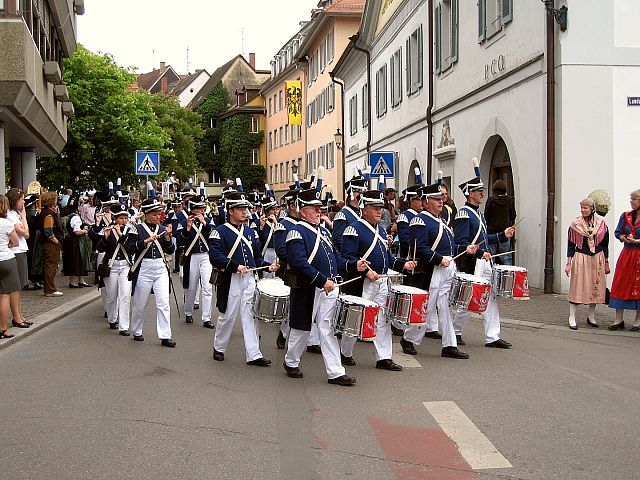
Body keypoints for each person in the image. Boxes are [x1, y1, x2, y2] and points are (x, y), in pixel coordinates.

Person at [283, 188, 368, 386]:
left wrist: (353, 265)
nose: (319, 211)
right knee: (301, 330)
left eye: (319, 207)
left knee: (326, 328)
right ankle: (291, 361)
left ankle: (336, 372)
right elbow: (298, 263)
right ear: (302, 210)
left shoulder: (323, 231)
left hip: (329, 287)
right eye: (314, 208)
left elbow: (334, 260)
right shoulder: (296, 232)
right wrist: (322, 281)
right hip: (308, 288)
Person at [340, 190, 416, 370]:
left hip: (381, 281)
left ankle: (383, 357)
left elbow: (387, 258)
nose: (379, 212)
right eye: (375, 208)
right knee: (357, 317)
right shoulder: (353, 229)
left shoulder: (380, 230)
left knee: (382, 319)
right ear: (364, 209)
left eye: (380, 208)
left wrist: (403, 265)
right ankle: (345, 352)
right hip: (363, 282)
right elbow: (347, 258)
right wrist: (366, 271)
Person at [402, 184, 478, 359]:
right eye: (436, 199)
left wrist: (466, 248)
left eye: (441, 199)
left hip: (445, 268)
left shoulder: (441, 220)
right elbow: (419, 248)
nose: (441, 202)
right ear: (426, 202)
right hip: (431, 270)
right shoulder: (419, 220)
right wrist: (438, 259)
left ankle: (449, 345)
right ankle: (408, 338)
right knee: (427, 308)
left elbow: (449, 246)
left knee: (445, 308)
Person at [209, 191, 279, 365]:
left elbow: (256, 256)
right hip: (231, 279)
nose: (244, 212)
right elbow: (215, 256)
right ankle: (219, 347)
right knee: (228, 315)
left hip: (249, 279)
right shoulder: (219, 232)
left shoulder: (250, 232)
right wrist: (235, 266)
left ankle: (254, 354)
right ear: (230, 210)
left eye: (245, 209)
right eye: (240, 209)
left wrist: (266, 264)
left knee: (250, 315)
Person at [452, 174, 515, 348]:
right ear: (469, 193)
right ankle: (455, 331)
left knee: (490, 296)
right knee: (471, 296)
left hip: (484, 260)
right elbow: (461, 243)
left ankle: (492, 337)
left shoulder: (478, 214)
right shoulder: (464, 214)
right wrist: (479, 252)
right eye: (479, 191)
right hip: (473, 262)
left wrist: (503, 235)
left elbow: (484, 238)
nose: (482, 193)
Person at [125, 198, 176, 347]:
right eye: (154, 214)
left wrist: (167, 238)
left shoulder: (162, 229)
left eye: (158, 214)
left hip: (160, 268)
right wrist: (145, 241)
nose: (157, 217)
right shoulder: (137, 229)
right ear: (146, 214)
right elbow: (129, 247)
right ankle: (137, 330)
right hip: (144, 267)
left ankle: (165, 336)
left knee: (164, 303)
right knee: (140, 303)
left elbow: (170, 250)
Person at [565, 198, 610, 330]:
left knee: (594, 285)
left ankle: (591, 316)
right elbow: (571, 245)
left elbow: (605, 245)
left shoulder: (601, 224)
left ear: (592, 209)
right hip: (581, 256)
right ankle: (572, 317)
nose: (583, 210)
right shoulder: (575, 224)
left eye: (585, 208)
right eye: (582, 208)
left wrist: (606, 262)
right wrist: (568, 263)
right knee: (577, 286)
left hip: (597, 258)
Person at [176, 195, 215, 328]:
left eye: (203, 208)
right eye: (199, 209)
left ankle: (206, 318)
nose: (202, 211)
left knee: (207, 287)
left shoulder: (208, 221)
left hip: (206, 256)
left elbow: (215, 236)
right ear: (193, 209)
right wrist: (187, 228)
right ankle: (188, 312)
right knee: (191, 287)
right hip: (191, 256)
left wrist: (205, 223)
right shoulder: (183, 222)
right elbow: (180, 241)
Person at [96, 203, 133, 334]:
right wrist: (105, 239)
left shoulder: (130, 230)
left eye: (125, 218)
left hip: (125, 266)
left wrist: (120, 234)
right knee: (111, 295)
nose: (123, 221)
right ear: (115, 219)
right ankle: (112, 319)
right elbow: (100, 248)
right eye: (120, 218)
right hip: (111, 266)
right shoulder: (107, 230)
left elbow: (130, 247)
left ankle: (124, 326)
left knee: (125, 296)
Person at [607, 189, 640, 331]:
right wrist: (623, 238)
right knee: (620, 283)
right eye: (631, 199)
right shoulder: (625, 216)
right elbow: (618, 232)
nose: (631, 201)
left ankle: (638, 321)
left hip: (638, 254)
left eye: (634, 199)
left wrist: (637, 240)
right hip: (627, 254)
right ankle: (618, 319)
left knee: (638, 286)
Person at [273, 187, 301, 350]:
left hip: (307, 270)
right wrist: (299, 261)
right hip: (291, 270)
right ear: (292, 205)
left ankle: (312, 341)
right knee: (293, 305)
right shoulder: (283, 225)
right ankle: (284, 332)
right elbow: (281, 251)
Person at [6, 189, 32, 328]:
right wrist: (25, 218)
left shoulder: (15, 213)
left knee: (19, 286)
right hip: (16, 251)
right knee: (15, 287)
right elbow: (26, 233)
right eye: (21, 199)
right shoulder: (11, 215)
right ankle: (16, 317)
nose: (23, 202)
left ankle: (19, 315)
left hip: (20, 249)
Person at [0, 195, 22, 339]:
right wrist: (9, 243)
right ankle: (3, 328)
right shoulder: (6, 223)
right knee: (5, 294)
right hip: (6, 260)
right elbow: (16, 242)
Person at [484, 179, 517, 265]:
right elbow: (513, 215)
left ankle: (491, 276)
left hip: (491, 232)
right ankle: (508, 277)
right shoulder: (509, 200)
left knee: (491, 257)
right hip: (505, 232)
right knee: (505, 257)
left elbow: (486, 216)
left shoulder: (491, 200)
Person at [37, 191, 64, 297]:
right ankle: (50, 289)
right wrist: (56, 240)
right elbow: (48, 230)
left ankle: (49, 288)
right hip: (50, 244)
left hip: (48, 243)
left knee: (51, 265)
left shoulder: (46, 212)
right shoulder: (48, 213)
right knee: (51, 266)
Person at [62, 196, 92, 288]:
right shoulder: (75, 217)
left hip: (70, 241)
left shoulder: (69, 216)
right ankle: (73, 282)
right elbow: (77, 232)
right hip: (76, 242)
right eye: (81, 206)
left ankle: (80, 280)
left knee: (77, 261)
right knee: (76, 261)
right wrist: (85, 231)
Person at [331, 176, 367, 252]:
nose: (362, 195)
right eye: (359, 192)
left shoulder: (363, 212)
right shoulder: (342, 215)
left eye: (363, 192)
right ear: (351, 193)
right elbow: (337, 240)